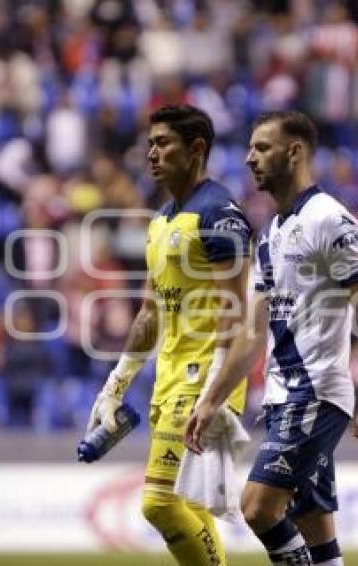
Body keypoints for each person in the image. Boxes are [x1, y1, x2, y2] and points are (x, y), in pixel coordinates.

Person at [185, 111, 358, 566]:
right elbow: (253, 329)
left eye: (262, 148)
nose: (249, 158)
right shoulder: (272, 233)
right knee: (316, 531)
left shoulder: (330, 220)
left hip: (314, 393)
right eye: (251, 148)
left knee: (258, 508)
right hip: (283, 398)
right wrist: (211, 399)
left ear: (293, 152)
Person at [87, 105, 252, 566]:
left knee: (158, 503)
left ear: (196, 149)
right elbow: (148, 312)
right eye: (150, 145)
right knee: (190, 504)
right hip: (170, 375)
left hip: (205, 377)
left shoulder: (220, 213)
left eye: (164, 144)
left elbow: (235, 310)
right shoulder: (160, 221)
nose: (152, 154)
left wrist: (215, 391)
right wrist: (115, 385)